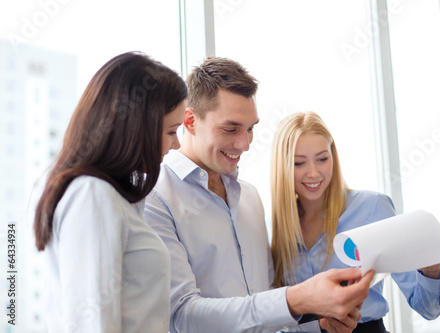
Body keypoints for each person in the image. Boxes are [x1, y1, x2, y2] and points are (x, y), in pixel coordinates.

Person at [144, 56, 375, 333]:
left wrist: (320, 325)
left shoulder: (250, 198)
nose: (244, 144)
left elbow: (263, 316)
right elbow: (183, 316)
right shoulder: (155, 198)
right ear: (190, 121)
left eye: (251, 128)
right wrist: (296, 298)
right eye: (231, 129)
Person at [32, 52, 187, 332]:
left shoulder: (116, 197)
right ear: (136, 128)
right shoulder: (92, 195)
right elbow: (92, 322)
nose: (175, 145)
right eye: (171, 132)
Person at [270, 111, 440, 333]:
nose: (313, 173)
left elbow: (427, 309)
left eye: (322, 159)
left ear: (333, 157)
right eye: (299, 163)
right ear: (282, 166)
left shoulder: (372, 208)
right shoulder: (270, 230)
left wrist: (430, 272)